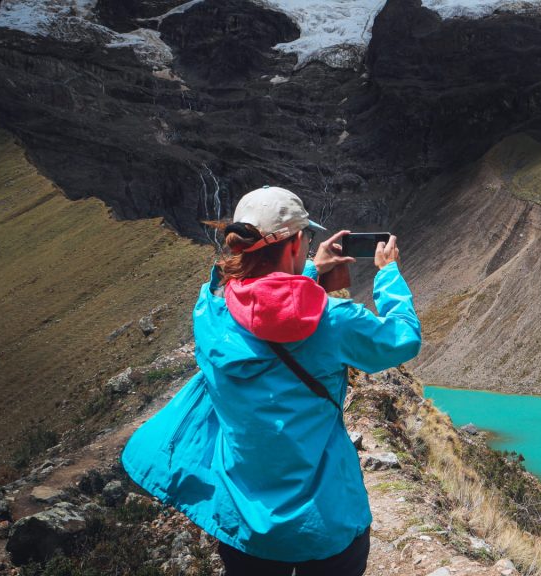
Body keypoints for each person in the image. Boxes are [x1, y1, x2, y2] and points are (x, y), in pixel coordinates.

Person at [121, 185, 422, 575]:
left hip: (243, 519)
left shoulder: (210, 307)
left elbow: (263, 306)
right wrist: (389, 276)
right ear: (296, 242)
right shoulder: (332, 321)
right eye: (306, 239)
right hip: (324, 520)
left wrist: (313, 268)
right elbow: (403, 338)